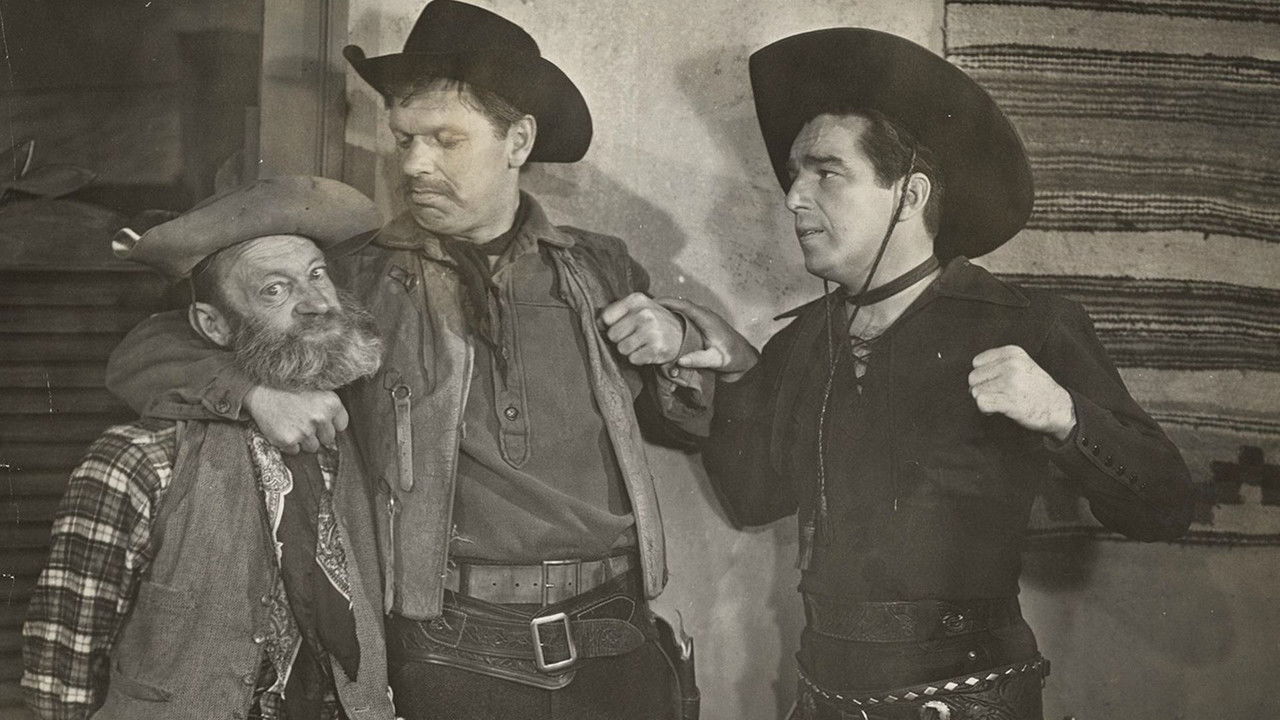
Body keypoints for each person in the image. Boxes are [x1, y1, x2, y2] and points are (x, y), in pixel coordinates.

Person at [102, 2, 706, 718]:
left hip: (617, 647)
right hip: (449, 661)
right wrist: (255, 393)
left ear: (517, 141)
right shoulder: (357, 278)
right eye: (404, 139)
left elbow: (696, 422)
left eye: (445, 140)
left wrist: (684, 337)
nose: (415, 164)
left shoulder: (600, 268)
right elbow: (148, 351)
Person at [663, 29, 1195, 719]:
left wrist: (1064, 415)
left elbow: (1167, 505)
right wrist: (738, 374)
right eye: (794, 175)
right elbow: (753, 500)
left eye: (826, 172)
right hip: (823, 696)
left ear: (909, 195)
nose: (793, 197)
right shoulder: (802, 344)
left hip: (970, 700)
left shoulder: (1029, 325)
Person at [21, 176, 396, 720]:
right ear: (213, 325)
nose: (316, 303)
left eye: (317, 274)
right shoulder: (139, 461)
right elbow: (60, 671)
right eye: (274, 290)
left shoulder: (358, 425)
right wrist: (254, 395)